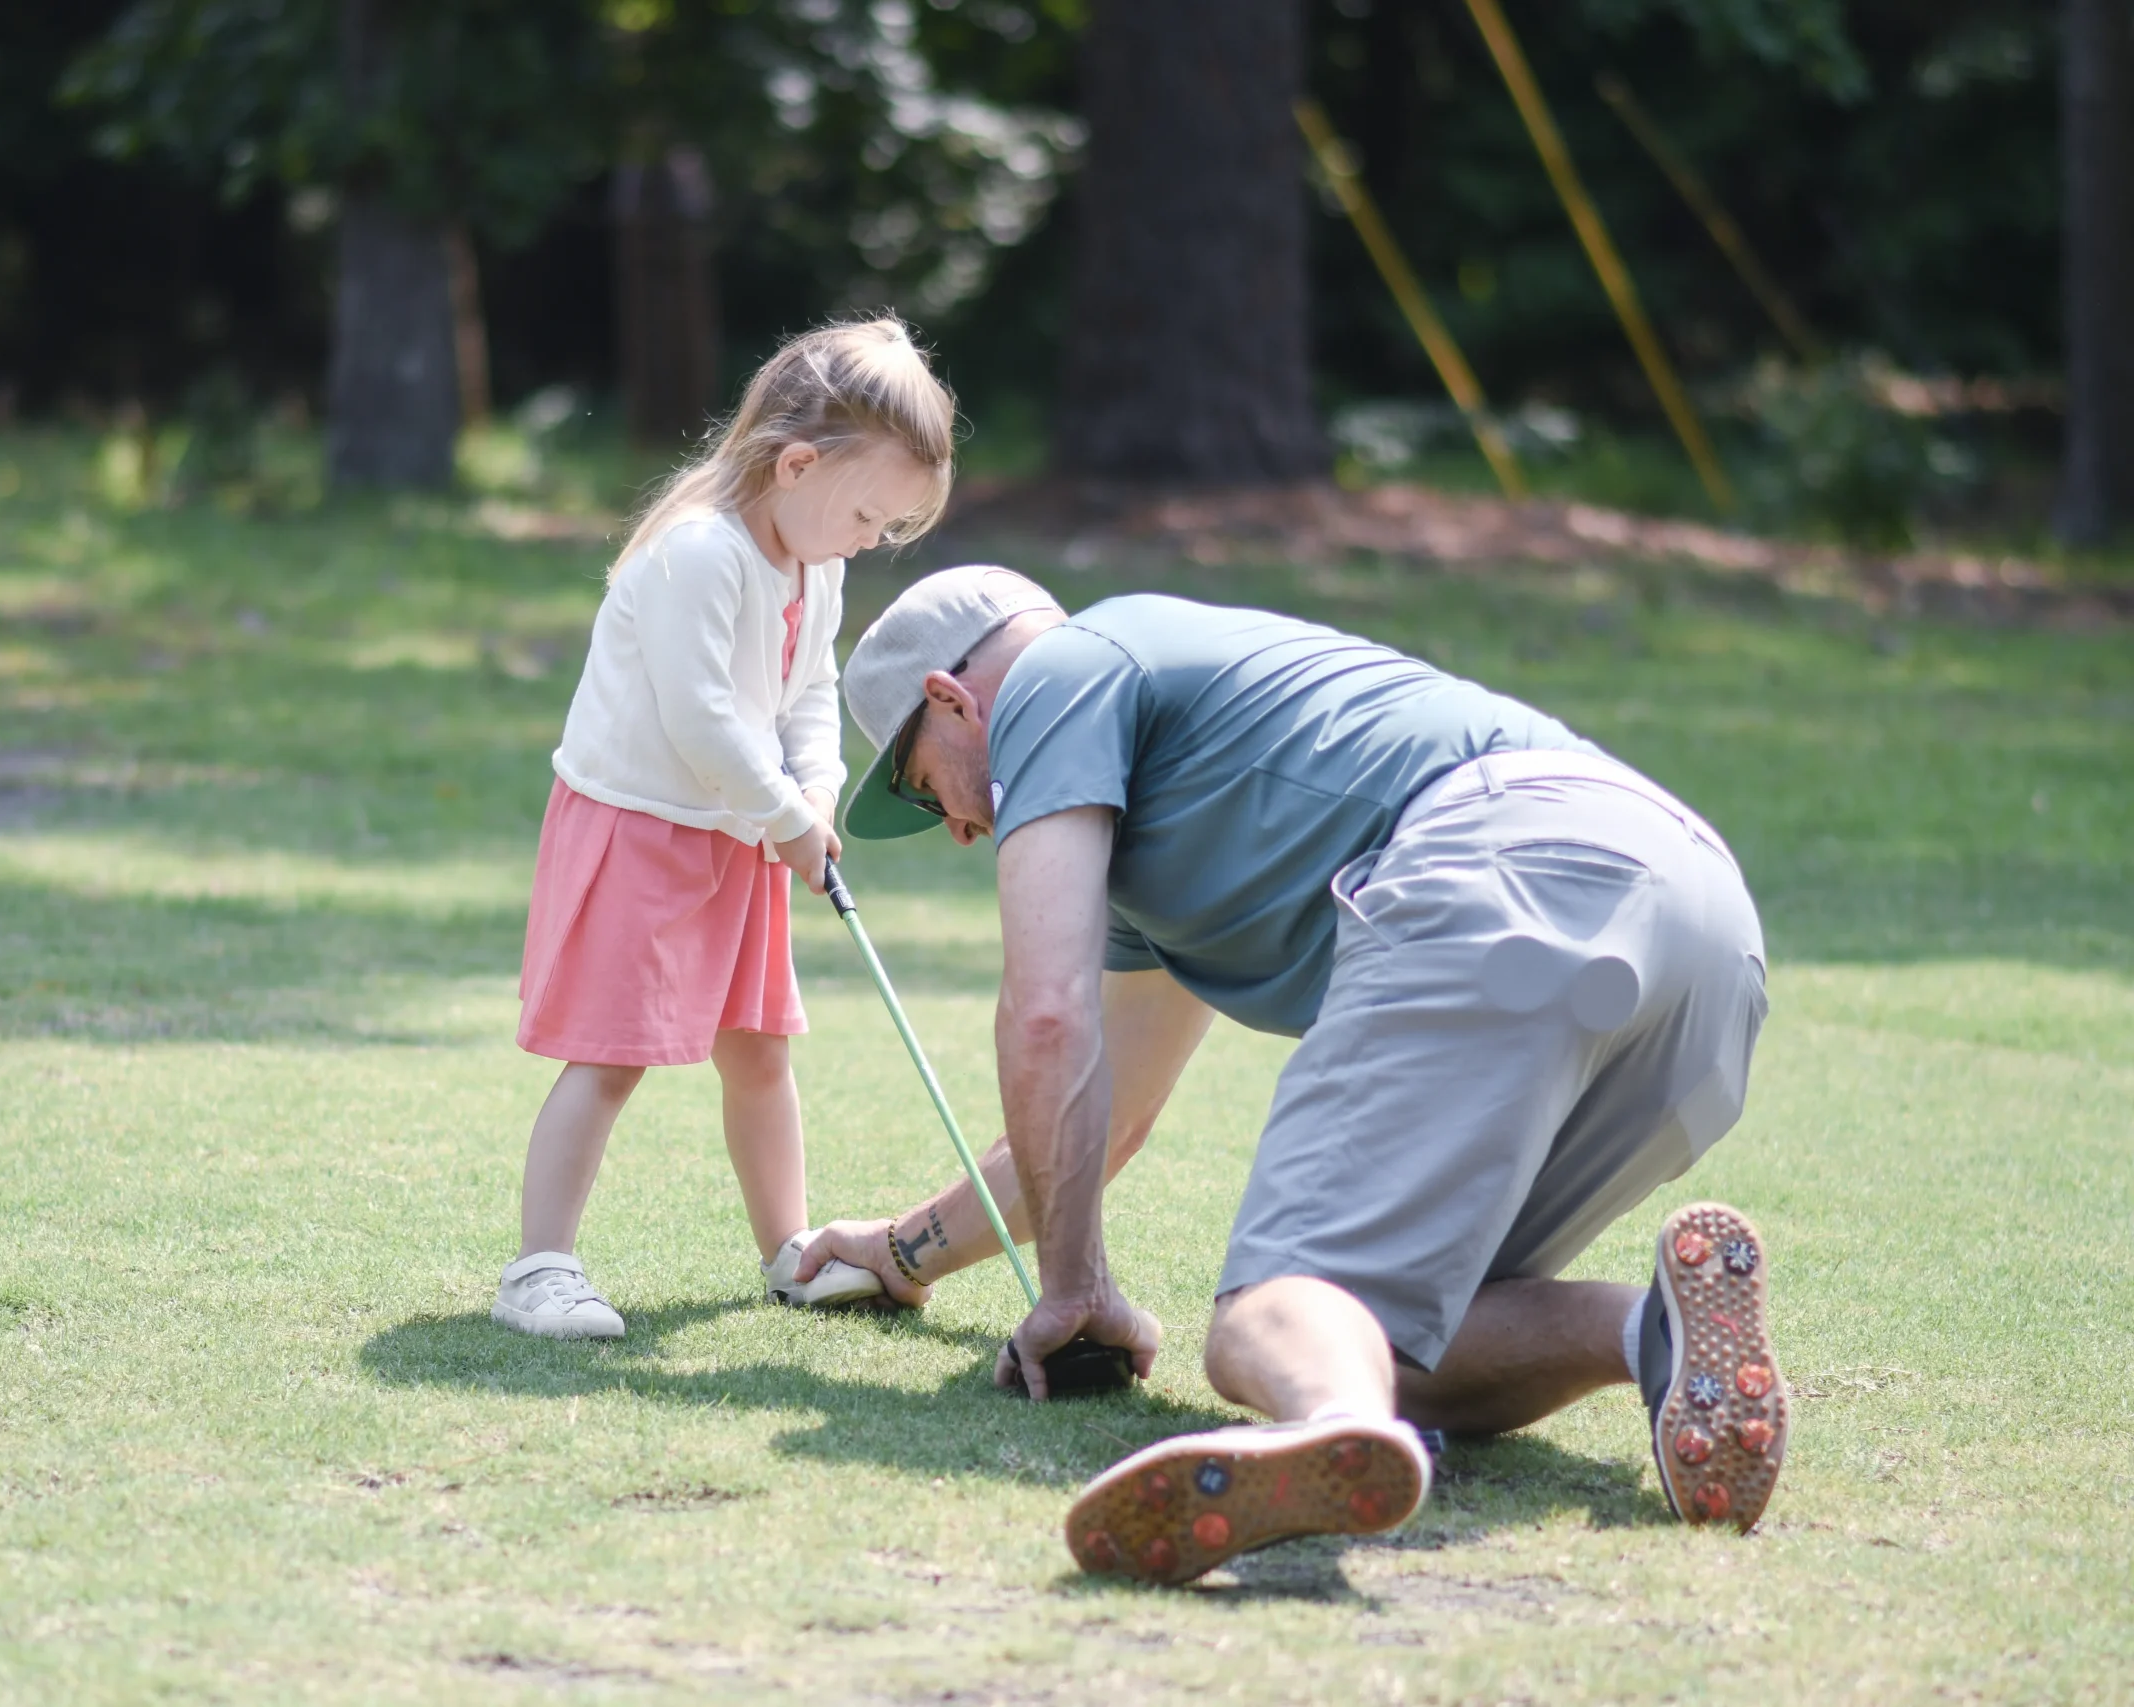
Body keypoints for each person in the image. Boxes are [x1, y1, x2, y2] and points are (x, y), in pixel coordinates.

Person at [795, 566, 1785, 1582]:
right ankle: (1657, 1335)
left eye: (928, 788)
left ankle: (1331, 1434)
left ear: (952, 702)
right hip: (1705, 938)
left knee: (1266, 1321)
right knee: (1373, 1337)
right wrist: (902, 1254)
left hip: (1504, 866)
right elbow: (1111, 1097)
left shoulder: (1061, 673)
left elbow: (1045, 1018)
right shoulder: (1149, 801)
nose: (959, 830)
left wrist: (1070, 1288)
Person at [493, 319, 957, 1340]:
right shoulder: (700, 553)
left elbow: (806, 690)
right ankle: (538, 1270)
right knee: (609, 1056)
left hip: (739, 829)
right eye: (870, 514)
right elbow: (698, 716)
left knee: (757, 1053)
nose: (871, 541)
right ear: (797, 463)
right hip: (643, 828)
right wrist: (783, 814)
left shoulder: (812, 559)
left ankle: (787, 1252)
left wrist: (818, 791)